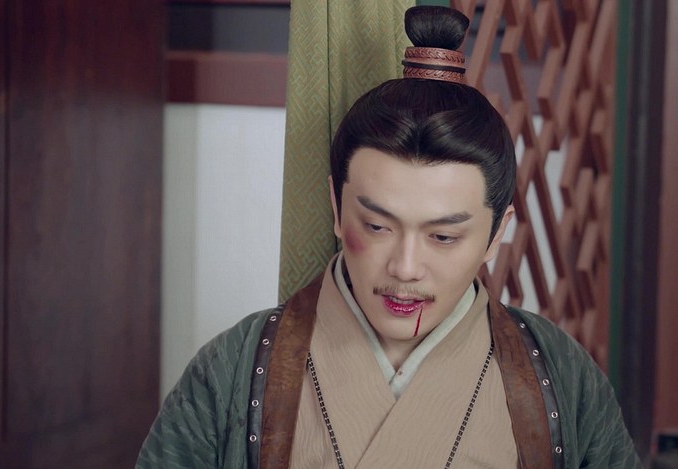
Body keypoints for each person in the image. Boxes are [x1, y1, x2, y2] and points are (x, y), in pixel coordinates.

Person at [137, 6, 640, 469]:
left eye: (443, 236)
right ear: (337, 209)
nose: (405, 267)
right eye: (377, 227)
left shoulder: (559, 375)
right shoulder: (233, 370)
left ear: (496, 234)